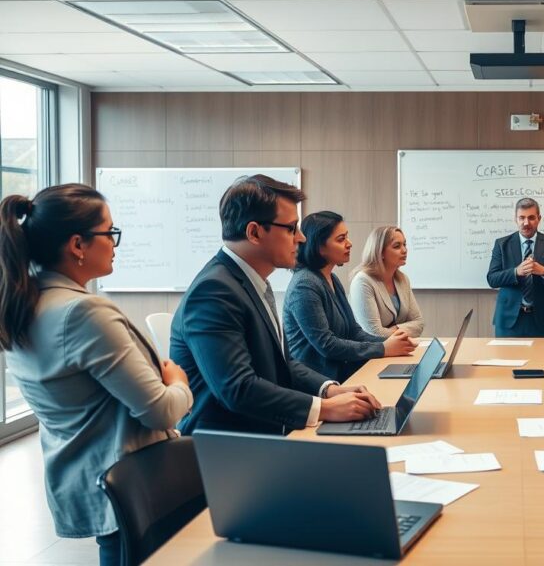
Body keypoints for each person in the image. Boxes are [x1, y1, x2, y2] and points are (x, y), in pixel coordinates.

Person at [0, 184, 192, 566]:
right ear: (78, 245)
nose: (115, 244)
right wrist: (179, 384)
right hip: (132, 486)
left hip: (87, 479)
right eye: (110, 233)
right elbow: (160, 411)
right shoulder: (83, 313)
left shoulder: (23, 303)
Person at [170, 175, 381, 435]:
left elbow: (282, 363)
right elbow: (238, 389)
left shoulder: (252, 282)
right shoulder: (214, 291)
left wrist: (330, 390)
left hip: (263, 435)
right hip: (227, 450)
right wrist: (324, 409)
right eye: (292, 228)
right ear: (255, 232)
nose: (301, 238)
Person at [283, 211, 416, 383]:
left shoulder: (332, 278)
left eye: (347, 237)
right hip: (319, 385)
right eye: (341, 239)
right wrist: (383, 348)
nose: (350, 244)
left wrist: (392, 342)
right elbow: (327, 345)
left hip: (342, 375)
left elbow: (354, 331)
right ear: (320, 247)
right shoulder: (305, 285)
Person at [486, 197, 544, 337]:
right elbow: (492, 279)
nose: (526, 223)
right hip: (508, 320)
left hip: (541, 320)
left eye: (531, 217)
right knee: (507, 359)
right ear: (515, 219)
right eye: (521, 218)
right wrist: (516, 272)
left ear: (539, 218)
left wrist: (543, 271)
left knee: (542, 359)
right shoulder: (501, 244)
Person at [349, 225, 425, 338]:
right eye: (397, 246)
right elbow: (373, 334)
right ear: (380, 252)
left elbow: (419, 323)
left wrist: (395, 329)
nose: (404, 250)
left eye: (404, 244)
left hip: (397, 350)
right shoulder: (363, 281)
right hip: (371, 353)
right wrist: (405, 330)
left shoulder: (403, 279)